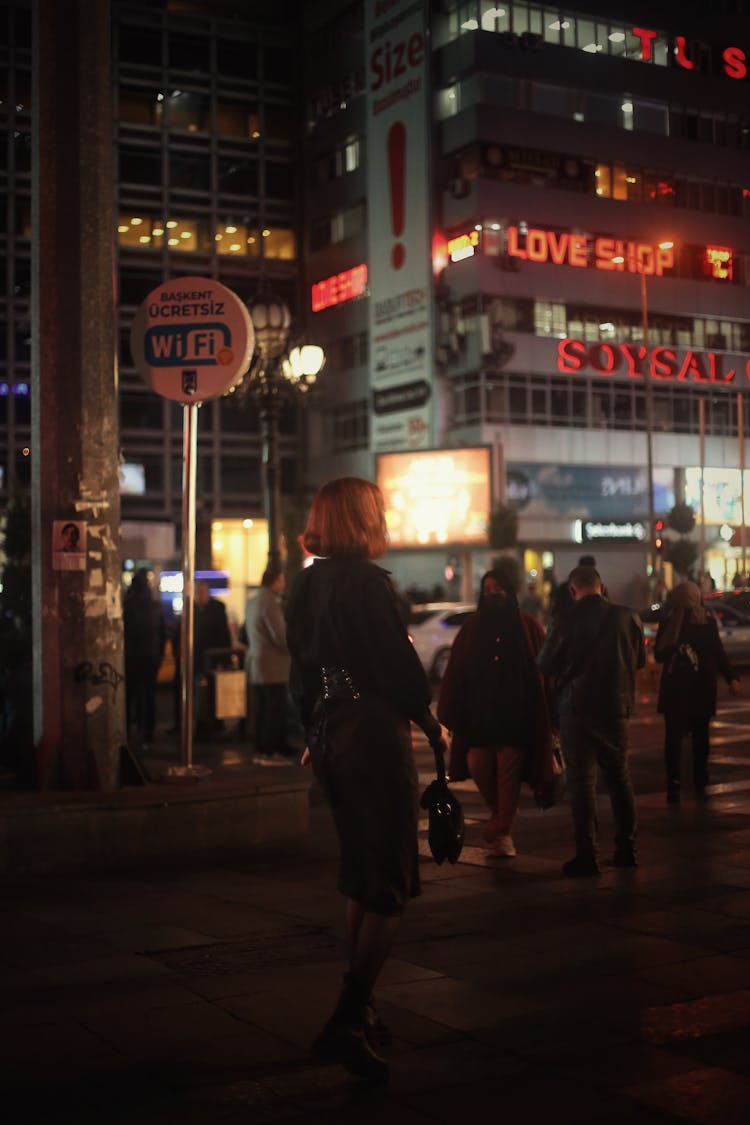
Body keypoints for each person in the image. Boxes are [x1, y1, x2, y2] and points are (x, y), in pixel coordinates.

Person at [285, 477, 444, 1084]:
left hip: (330, 738)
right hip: (374, 736)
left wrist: (312, 730)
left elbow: (306, 673)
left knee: (361, 871)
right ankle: (348, 1019)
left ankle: (363, 1005)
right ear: (364, 520)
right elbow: (397, 669)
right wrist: (431, 723)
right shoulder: (369, 586)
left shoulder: (306, 584)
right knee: (391, 881)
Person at [437, 568, 556, 858]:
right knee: (477, 763)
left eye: (497, 588)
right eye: (487, 589)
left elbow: (545, 671)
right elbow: (457, 671)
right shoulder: (472, 629)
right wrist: (449, 711)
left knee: (508, 771)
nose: (492, 594)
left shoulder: (527, 627)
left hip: (516, 716)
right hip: (480, 717)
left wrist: (550, 714)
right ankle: (499, 818)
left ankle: (502, 831)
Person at [537, 565, 644, 877]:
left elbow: (544, 663)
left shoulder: (565, 619)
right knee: (620, 779)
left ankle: (587, 855)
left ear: (573, 591)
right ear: (603, 587)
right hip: (617, 708)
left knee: (582, 783)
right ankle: (628, 849)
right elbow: (638, 660)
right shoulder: (628, 617)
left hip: (577, 709)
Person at [654, 580, 740, 804]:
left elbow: (659, 655)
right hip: (701, 688)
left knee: (672, 738)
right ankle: (700, 778)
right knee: (701, 736)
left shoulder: (668, 622)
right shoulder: (706, 622)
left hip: (675, 689)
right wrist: (731, 678)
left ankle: (673, 782)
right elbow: (718, 653)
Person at [245, 563, 292, 761]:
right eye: (282, 579)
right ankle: (271, 748)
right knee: (275, 708)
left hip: (258, 662)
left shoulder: (254, 601)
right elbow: (280, 635)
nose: (284, 583)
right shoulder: (270, 603)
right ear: (276, 580)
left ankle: (266, 746)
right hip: (273, 665)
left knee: (264, 707)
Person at [123, 568, 166, 750]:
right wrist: (160, 655)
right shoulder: (155, 606)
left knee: (129, 696)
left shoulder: (127, 605)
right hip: (150, 657)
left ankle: (126, 733)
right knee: (149, 697)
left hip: (131, 657)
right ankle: (148, 735)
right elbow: (163, 634)